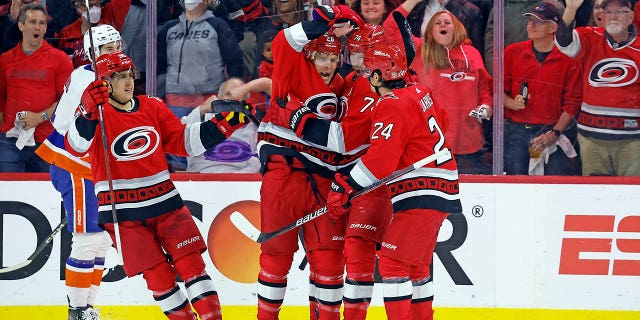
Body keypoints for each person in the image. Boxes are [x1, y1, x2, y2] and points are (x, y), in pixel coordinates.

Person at [65, 51, 249, 320]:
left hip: (165, 203)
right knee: (159, 278)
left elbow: (183, 142)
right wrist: (86, 112)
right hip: (122, 214)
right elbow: (76, 146)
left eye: (130, 76)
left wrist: (223, 126)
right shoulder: (96, 115)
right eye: (119, 77)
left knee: (192, 265)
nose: (128, 83)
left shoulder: (151, 105)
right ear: (104, 82)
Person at [326, 43, 462, 320]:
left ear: (378, 77)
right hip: (442, 185)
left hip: (421, 190)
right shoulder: (420, 91)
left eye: (368, 73)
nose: (365, 77)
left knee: (393, 265)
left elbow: (380, 161)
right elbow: (443, 124)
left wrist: (344, 184)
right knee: (417, 268)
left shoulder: (390, 103)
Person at [255, 5, 364, 319]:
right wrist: (325, 18)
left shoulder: (345, 88)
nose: (328, 65)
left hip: (325, 183)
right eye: (321, 58)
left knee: (330, 259)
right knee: (276, 256)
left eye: (333, 59)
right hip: (284, 177)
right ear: (308, 57)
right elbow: (283, 42)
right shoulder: (290, 72)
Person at [35, 24, 122, 320]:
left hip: (91, 166)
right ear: (92, 54)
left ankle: (87, 308)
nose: (114, 53)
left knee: (102, 239)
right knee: (88, 238)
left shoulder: (105, 76)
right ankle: (76, 310)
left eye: (116, 47)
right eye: (106, 49)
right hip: (73, 163)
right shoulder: (88, 78)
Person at [386, 0, 493, 174]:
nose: (442, 24)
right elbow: (391, 30)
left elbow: (484, 87)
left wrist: (486, 106)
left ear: (456, 27)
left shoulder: (472, 54)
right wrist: (412, 2)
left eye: (447, 22)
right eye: (437, 23)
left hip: (469, 145)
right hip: (431, 145)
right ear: (430, 30)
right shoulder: (421, 49)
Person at [555, 0, 640, 176]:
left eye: (620, 11)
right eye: (608, 12)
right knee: (596, 195)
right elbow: (564, 43)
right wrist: (570, 9)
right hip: (591, 138)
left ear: (631, 17)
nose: (613, 16)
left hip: (632, 140)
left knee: (630, 195)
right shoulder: (591, 37)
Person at [157, 0, 243, 171]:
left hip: (209, 98)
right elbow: (159, 64)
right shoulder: (169, 28)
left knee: (208, 148)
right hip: (175, 98)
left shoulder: (218, 25)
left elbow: (234, 60)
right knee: (176, 148)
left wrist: (232, 91)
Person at [503, 2, 582, 175]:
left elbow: (572, 103)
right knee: (515, 185)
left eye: (537, 21)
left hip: (550, 130)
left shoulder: (569, 59)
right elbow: (497, 91)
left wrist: (554, 133)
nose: (530, 25)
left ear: (553, 27)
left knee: (555, 186)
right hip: (516, 130)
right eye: (530, 20)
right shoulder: (512, 52)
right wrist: (510, 103)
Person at [0, 3, 73, 172]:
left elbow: (67, 100)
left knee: (49, 194)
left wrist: (39, 117)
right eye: (33, 22)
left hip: (46, 141)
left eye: (42, 23)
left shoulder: (60, 59)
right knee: (8, 193)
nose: (38, 27)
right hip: (10, 141)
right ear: (21, 25)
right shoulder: (5, 59)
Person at [182, 77, 262, 173]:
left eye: (239, 94)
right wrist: (202, 109)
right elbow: (179, 137)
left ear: (245, 101)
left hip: (241, 180)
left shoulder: (255, 126)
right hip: (200, 177)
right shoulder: (201, 119)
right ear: (218, 98)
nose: (233, 98)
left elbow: (258, 162)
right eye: (228, 94)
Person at [57, 0, 129, 68]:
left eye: (97, 4)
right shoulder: (67, 33)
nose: (95, 9)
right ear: (78, 7)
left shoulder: (111, 17)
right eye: (90, 5)